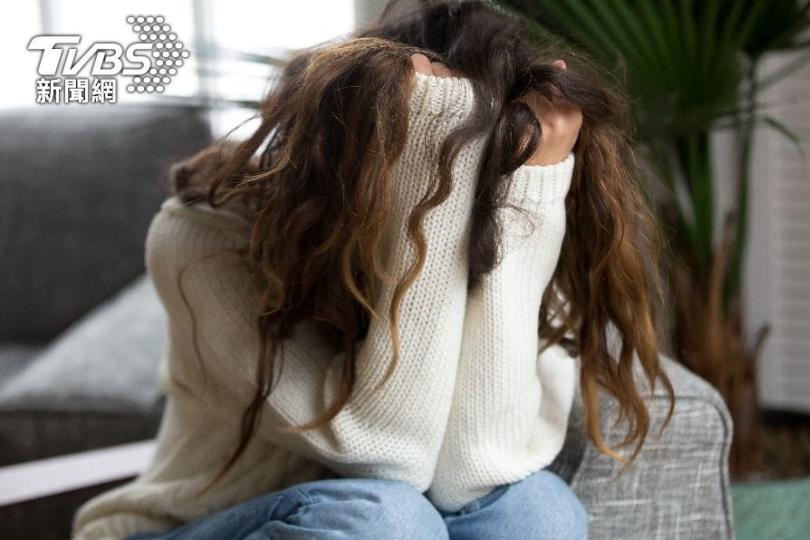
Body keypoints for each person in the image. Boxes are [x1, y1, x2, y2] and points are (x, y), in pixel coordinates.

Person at [71, 1, 673, 538]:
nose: (456, 184)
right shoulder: (201, 237)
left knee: (537, 512)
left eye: (472, 167)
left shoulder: (525, 215)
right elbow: (386, 456)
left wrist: (526, 195)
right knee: (384, 519)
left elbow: (470, 477)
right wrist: (431, 182)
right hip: (193, 524)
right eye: (426, 152)